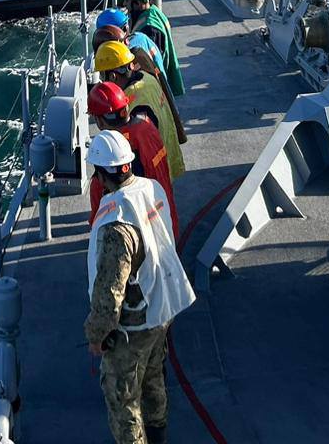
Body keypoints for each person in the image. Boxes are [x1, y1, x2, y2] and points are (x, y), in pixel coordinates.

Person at [86, 130, 195, 444]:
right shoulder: (151, 188)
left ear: (100, 174)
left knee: (122, 399)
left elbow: (109, 291)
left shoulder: (116, 222)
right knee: (152, 380)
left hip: (135, 324)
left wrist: (97, 335)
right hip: (162, 306)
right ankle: (159, 435)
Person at [87, 82, 178, 237]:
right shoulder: (147, 125)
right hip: (166, 220)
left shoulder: (111, 158)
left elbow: (99, 224)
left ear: (99, 121)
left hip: (142, 236)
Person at [95, 40, 184, 177]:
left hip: (152, 174)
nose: (102, 81)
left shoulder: (132, 99)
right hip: (166, 159)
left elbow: (138, 145)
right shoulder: (147, 78)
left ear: (112, 76)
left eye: (102, 75)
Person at [121, 0, 184, 98]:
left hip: (158, 91)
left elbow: (150, 65)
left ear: (138, 3)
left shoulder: (149, 29)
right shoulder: (154, 12)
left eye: (127, 0)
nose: (124, 4)